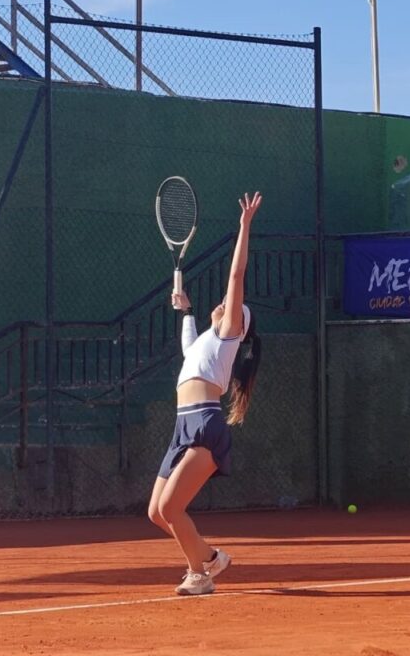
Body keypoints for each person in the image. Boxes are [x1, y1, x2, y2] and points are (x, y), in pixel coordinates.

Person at [147, 191, 263, 596]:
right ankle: (213, 559)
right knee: (156, 512)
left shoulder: (230, 334)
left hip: (204, 426)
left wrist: (245, 226)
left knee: (170, 509)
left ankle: (199, 574)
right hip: (182, 426)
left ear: (238, 324)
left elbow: (236, 277)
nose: (224, 305)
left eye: (231, 308)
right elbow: (188, 346)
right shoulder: (205, 345)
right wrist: (186, 310)